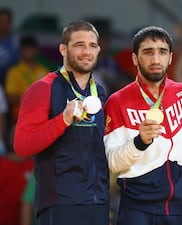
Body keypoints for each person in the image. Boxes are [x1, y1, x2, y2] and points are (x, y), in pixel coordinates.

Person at [14, 20, 109, 225]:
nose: (87, 51)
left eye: (92, 46)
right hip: (60, 202)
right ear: (63, 49)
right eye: (79, 45)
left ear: (99, 50)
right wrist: (63, 120)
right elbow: (22, 145)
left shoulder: (99, 92)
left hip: (98, 201)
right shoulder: (42, 88)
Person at [103, 26, 182, 225]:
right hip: (138, 210)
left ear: (171, 58)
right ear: (134, 59)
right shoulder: (118, 101)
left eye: (162, 52)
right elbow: (112, 162)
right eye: (148, 52)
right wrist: (139, 142)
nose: (156, 59)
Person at [5, 34, 49, 122]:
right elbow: (9, 98)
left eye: (30, 49)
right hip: (19, 118)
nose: (28, 51)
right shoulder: (14, 71)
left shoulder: (43, 71)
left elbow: (50, 95)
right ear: (20, 50)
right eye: (25, 49)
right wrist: (29, 97)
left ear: (36, 50)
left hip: (41, 119)